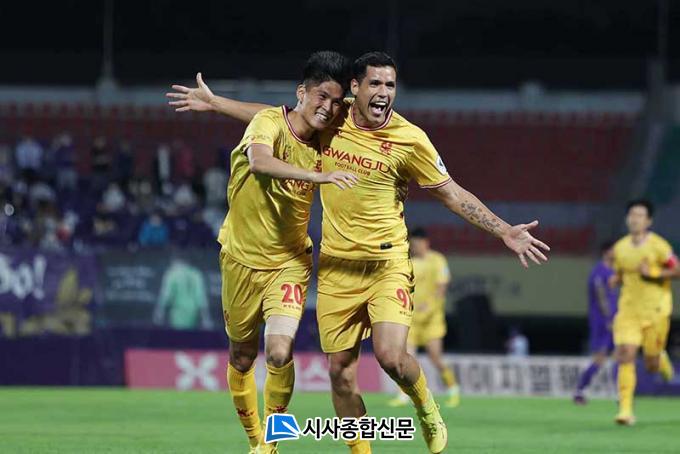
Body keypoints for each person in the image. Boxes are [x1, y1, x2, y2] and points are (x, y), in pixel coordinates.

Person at [168, 51, 550, 454]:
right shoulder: (335, 116)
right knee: (340, 375)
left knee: (390, 357)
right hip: (336, 267)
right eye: (375, 84)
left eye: (390, 85)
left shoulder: (410, 139)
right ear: (356, 87)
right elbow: (279, 118)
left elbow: (452, 194)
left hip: (386, 263)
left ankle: (425, 405)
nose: (384, 92)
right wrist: (216, 103)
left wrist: (503, 229)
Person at [170, 51, 355, 454]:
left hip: (289, 262)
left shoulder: (328, 136)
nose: (329, 108)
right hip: (239, 259)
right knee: (241, 357)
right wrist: (318, 176)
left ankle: (270, 443)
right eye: (322, 97)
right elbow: (260, 161)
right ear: (301, 93)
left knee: (279, 351)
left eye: (337, 101)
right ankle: (254, 437)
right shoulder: (267, 124)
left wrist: (218, 103)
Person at [610, 199, 677, 425]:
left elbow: (677, 270)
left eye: (639, 215)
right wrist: (616, 279)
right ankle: (625, 411)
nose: (634, 219)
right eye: (632, 214)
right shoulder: (620, 248)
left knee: (651, 365)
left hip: (656, 311)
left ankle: (661, 359)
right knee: (625, 354)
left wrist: (654, 273)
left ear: (648, 221)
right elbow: (621, 274)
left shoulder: (659, 246)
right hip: (628, 311)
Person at [388, 227, 460, 408]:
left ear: (425, 243)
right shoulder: (407, 262)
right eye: (412, 244)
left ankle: (453, 389)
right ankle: (404, 395)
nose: (414, 247)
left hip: (432, 320)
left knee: (435, 357)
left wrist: (429, 305)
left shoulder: (437, 260)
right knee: (406, 358)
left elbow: (441, 287)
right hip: (410, 318)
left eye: (417, 244)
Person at [573, 241, 618, 404]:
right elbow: (601, 297)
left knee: (619, 357)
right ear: (606, 252)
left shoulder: (614, 271)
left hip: (615, 320)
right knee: (600, 358)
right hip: (602, 322)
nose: (617, 253)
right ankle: (579, 390)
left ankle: (621, 395)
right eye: (614, 250)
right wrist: (608, 318)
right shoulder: (599, 272)